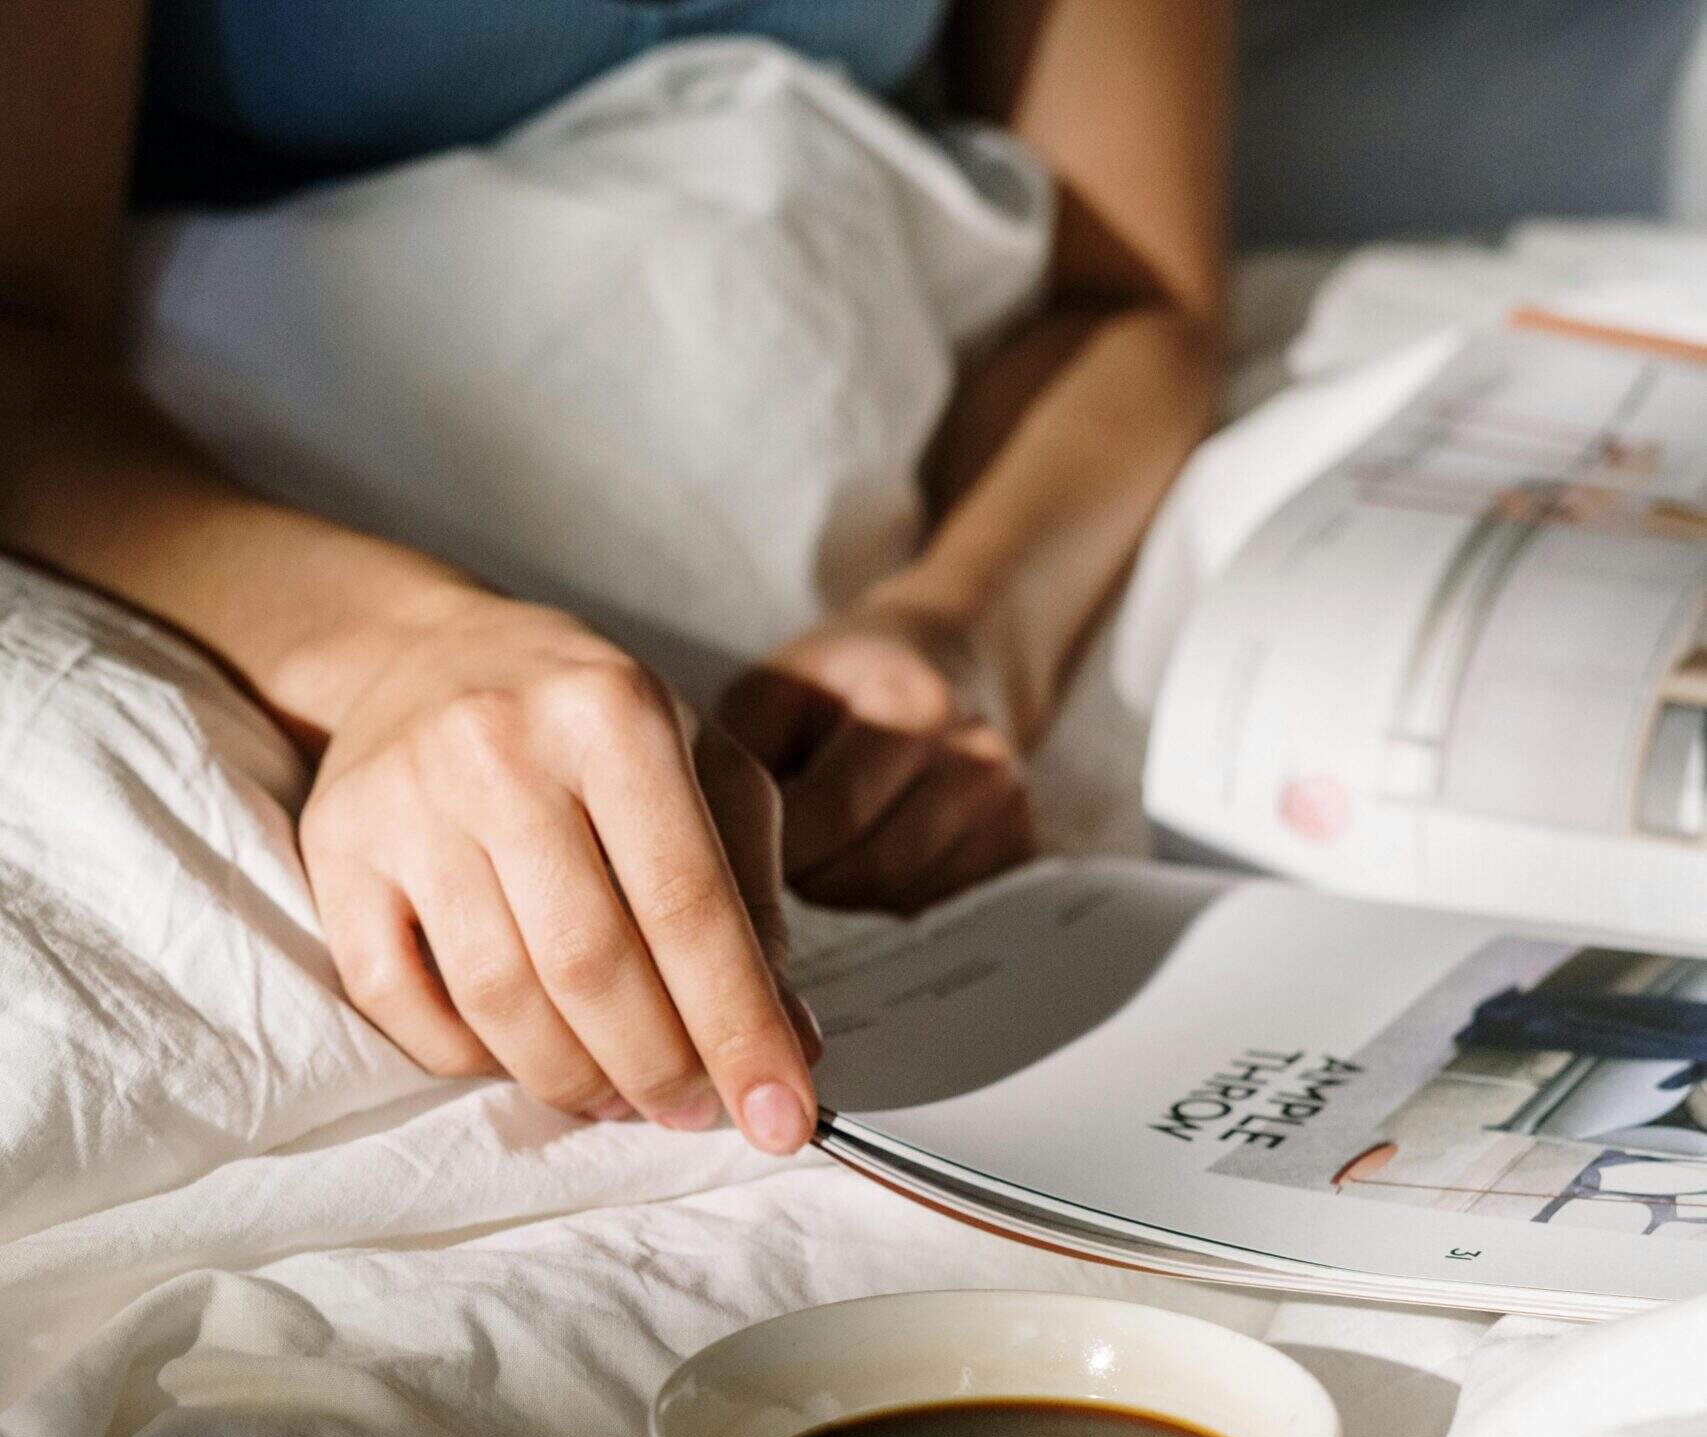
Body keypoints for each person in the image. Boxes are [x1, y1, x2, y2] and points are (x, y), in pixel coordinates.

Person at [1, 4, 1228, 1149]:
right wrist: (402, 649)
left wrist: (961, 624)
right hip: (239, 555)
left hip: (898, 545)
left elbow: (1134, 296)